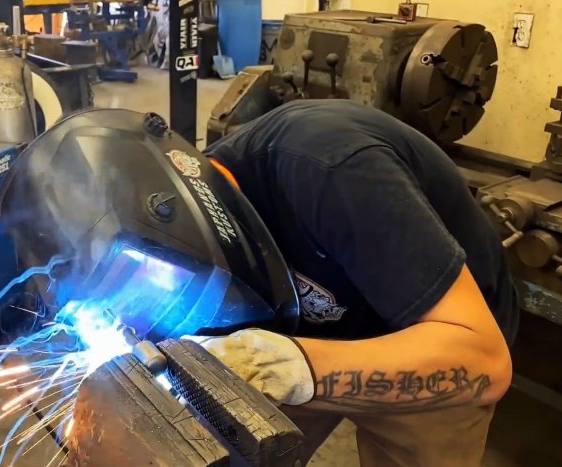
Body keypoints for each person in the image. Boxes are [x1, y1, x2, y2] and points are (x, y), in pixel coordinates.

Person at [194, 99, 519, 466]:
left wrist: (287, 367)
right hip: (307, 329)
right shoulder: (193, 199)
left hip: (435, 341)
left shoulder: (334, 168)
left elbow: (486, 363)